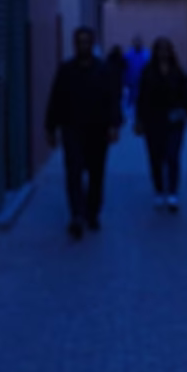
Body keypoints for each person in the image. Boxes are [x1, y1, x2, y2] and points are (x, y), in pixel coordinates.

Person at [45, 26, 122, 239]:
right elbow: (56, 99)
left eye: (87, 41)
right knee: (73, 173)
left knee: (96, 175)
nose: (83, 45)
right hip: (72, 130)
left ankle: (92, 212)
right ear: (75, 44)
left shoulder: (104, 70)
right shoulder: (66, 70)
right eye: (80, 41)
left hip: (98, 131)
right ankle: (77, 215)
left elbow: (112, 99)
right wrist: (50, 128)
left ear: (92, 44)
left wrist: (115, 126)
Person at [135, 37, 187, 212]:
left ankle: (173, 193)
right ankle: (159, 189)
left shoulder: (178, 72)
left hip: (174, 122)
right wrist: (139, 120)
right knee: (156, 158)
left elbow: (186, 95)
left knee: (173, 157)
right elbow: (142, 98)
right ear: (156, 52)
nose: (163, 53)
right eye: (160, 49)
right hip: (153, 122)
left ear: (170, 51)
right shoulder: (148, 72)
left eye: (166, 49)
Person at [124, 35, 150, 114]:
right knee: (132, 107)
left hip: (144, 84)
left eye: (139, 41)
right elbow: (125, 69)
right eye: (136, 41)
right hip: (132, 84)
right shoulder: (128, 55)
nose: (137, 43)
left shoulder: (147, 54)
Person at [105, 45, 127, 123]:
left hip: (115, 84)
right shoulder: (118, 60)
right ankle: (117, 117)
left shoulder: (111, 59)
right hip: (116, 84)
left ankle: (117, 117)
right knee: (117, 102)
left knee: (116, 102)